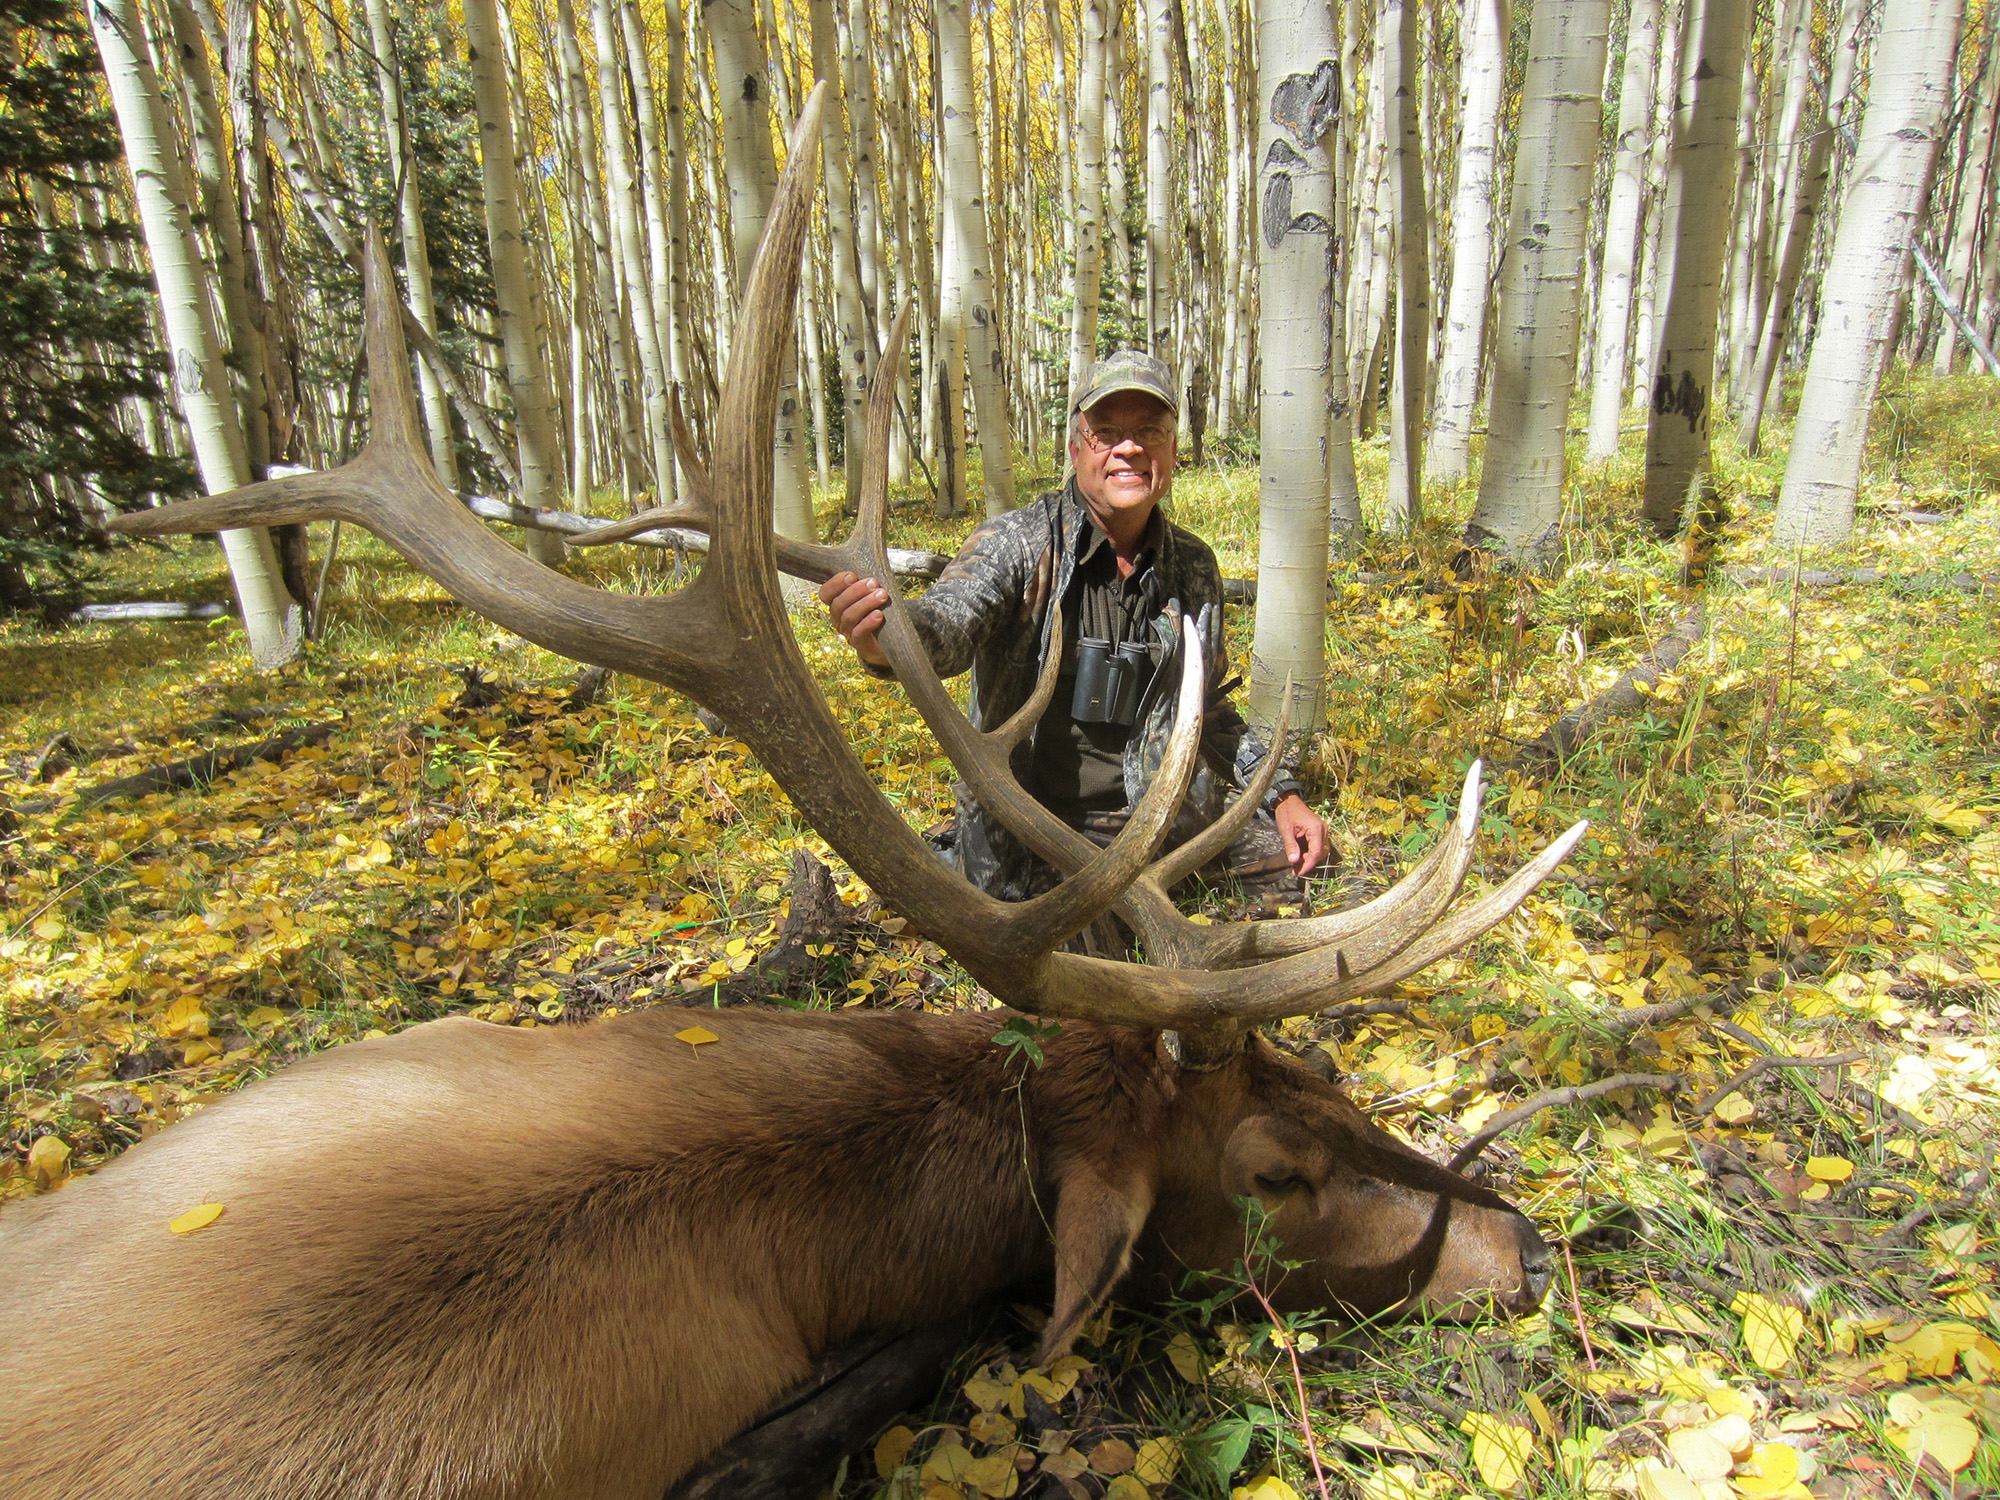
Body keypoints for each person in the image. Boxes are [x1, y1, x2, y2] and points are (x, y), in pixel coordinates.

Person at [820, 350, 1326, 929]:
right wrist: (885, 636)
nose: (1128, 448)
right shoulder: (1017, 545)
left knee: (1297, 873)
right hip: (1041, 831)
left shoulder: (1193, 567)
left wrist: (1282, 796)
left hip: (1159, 823)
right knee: (1093, 956)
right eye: (1106, 432)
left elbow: (1206, 710)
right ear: (1077, 450)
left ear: (1172, 452)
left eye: (1148, 432)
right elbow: (946, 627)